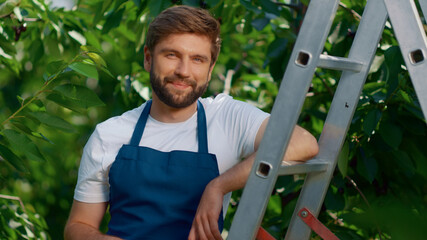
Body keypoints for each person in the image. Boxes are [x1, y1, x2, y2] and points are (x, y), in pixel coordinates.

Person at [64, 5, 319, 240]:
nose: (184, 71)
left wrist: (218, 185)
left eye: (197, 59)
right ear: (148, 58)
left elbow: (302, 143)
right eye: (172, 55)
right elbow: (77, 226)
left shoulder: (226, 117)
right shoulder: (109, 134)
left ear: (210, 69)